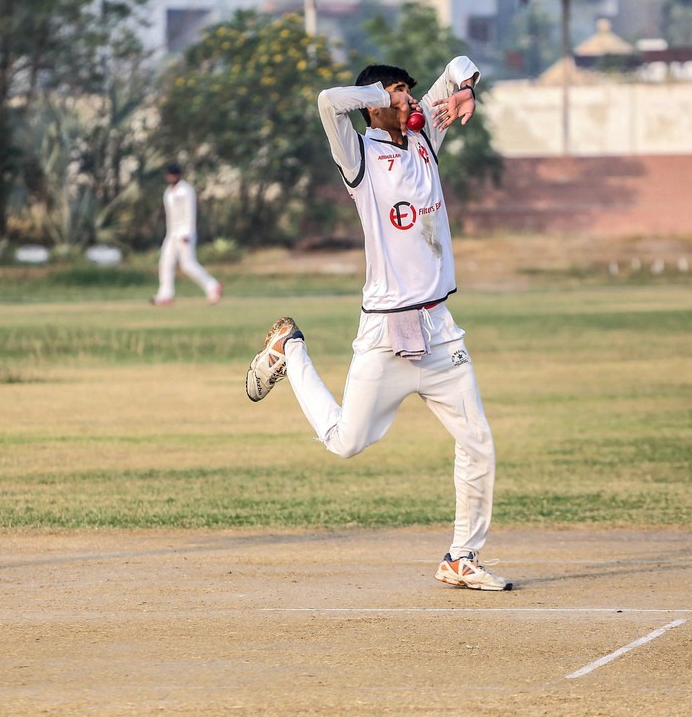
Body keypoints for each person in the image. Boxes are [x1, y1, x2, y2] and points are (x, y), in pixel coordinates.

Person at [245, 58, 511, 591]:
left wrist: (466, 87)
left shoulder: (425, 134)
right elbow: (327, 102)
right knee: (346, 442)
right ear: (373, 103)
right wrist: (378, 95)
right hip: (386, 334)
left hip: (439, 332)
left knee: (479, 442)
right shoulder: (359, 155)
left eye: (409, 91)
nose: (409, 100)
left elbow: (459, 66)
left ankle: (461, 557)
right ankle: (289, 350)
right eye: (398, 93)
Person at [152, 164, 222, 306]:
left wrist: (187, 232)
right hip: (172, 233)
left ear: (178, 175)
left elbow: (190, 212)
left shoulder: (186, 189)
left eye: (172, 175)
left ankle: (213, 285)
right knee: (165, 262)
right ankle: (165, 294)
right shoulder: (168, 192)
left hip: (185, 233)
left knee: (188, 265)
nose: (170, 177)